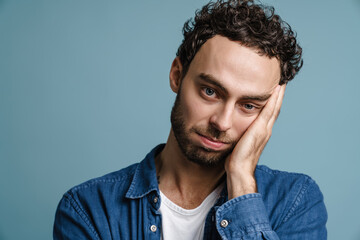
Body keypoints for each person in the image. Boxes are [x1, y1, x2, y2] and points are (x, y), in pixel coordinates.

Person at [53, 0, 327, 239]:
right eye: (210, 91)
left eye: (248, 105)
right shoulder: (88, 208)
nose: (222, 122)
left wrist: (242, 181)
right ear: (177, 75)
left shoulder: (296, 201)